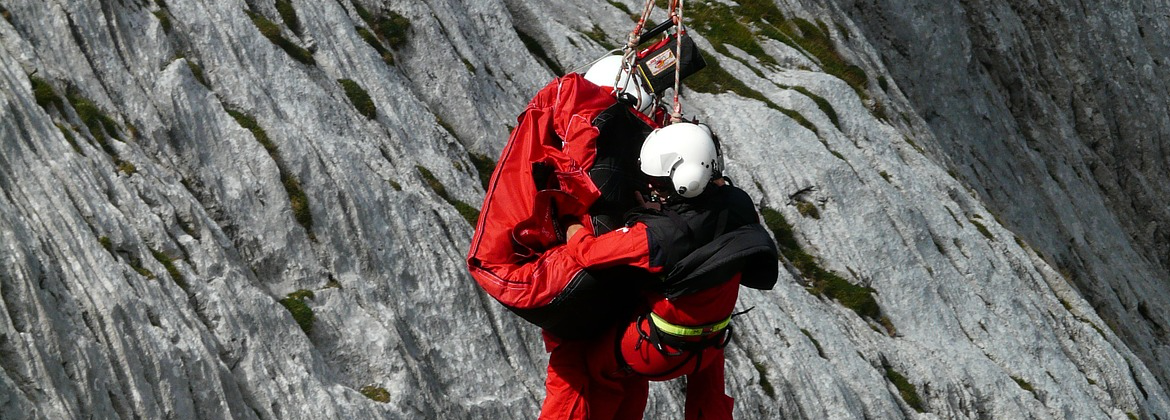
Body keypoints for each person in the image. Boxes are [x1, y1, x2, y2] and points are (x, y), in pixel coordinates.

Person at [543, 122, 779, 419]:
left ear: (686, 181)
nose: (652, 188)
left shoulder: (658, 237)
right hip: (710, 346)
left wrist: (569, 221)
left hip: (656, 350)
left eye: (660, 183)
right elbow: (700, 216)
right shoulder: (738, 202)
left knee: (593, 368)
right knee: (709, 401)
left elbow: (587, 253)